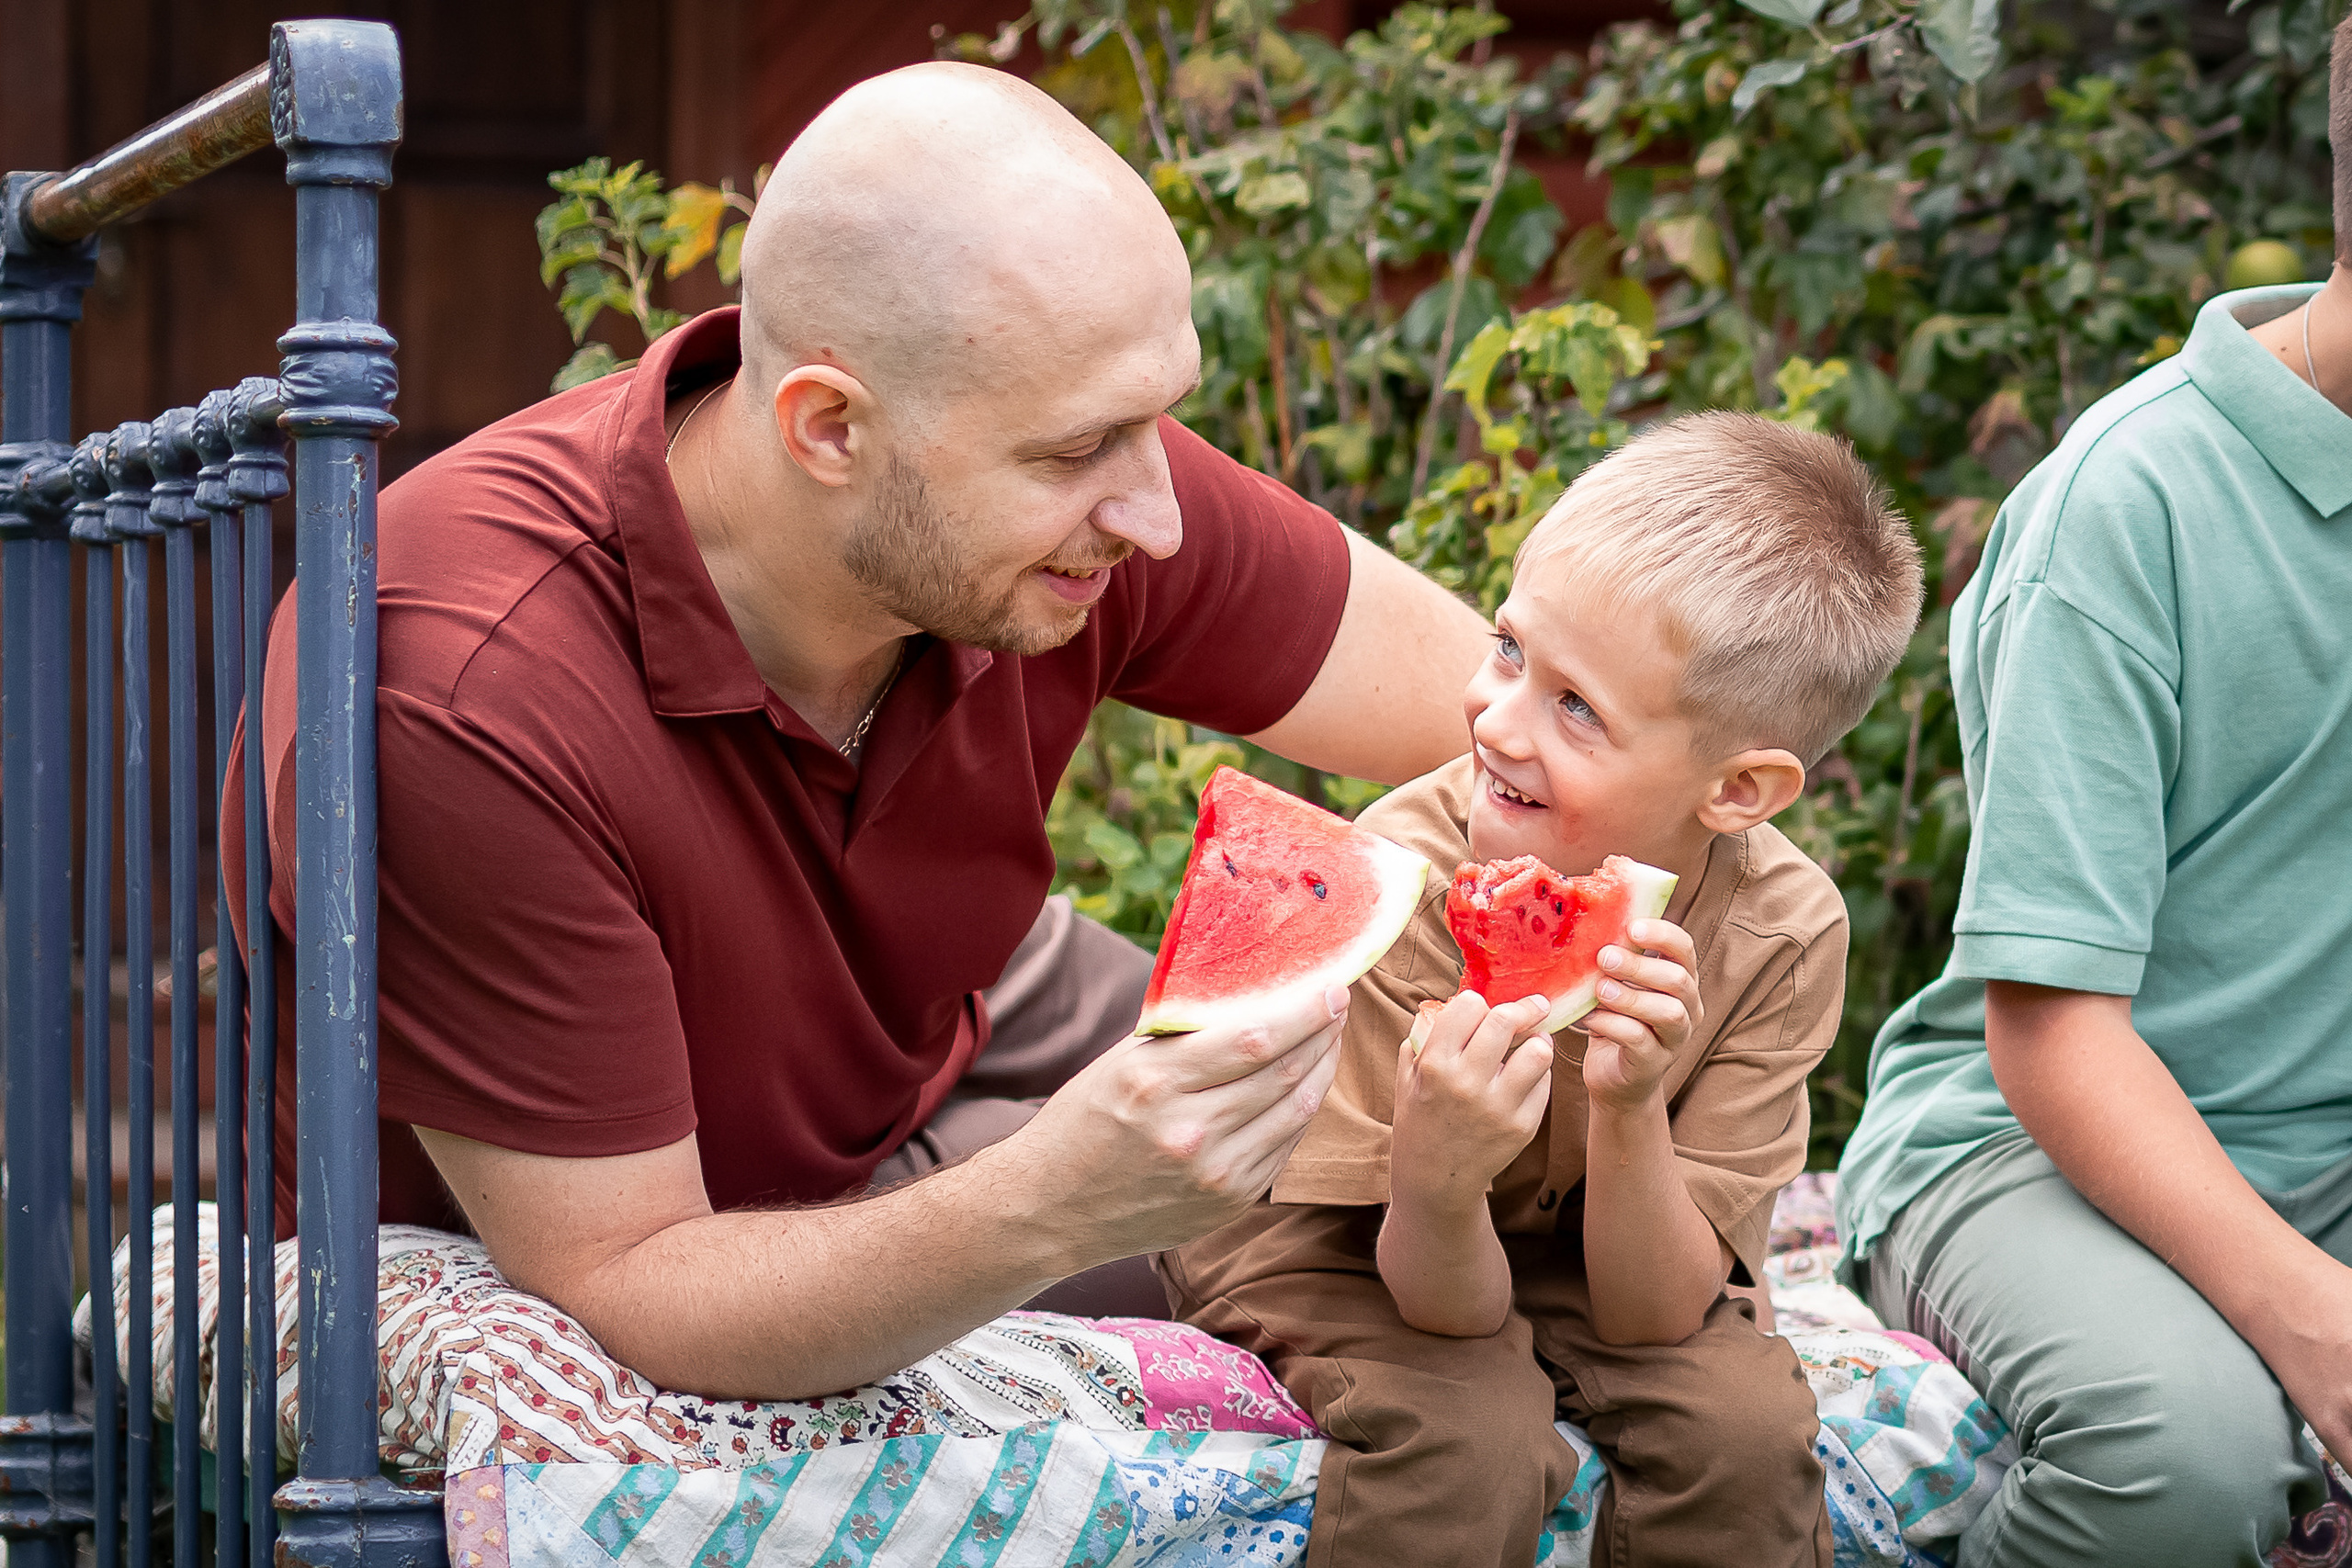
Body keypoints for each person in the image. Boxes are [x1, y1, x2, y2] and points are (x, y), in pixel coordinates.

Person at [219, 62, 1494, 1401]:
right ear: (828, 426)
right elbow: (635, 1284)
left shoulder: (1064, 481)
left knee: (1471, 1151)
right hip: (683, 1216)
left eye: (1156, 418)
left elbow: (1508, 720)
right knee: (1362, 1249)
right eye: (1080, 449)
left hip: (949, 999)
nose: (1161, 518)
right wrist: (1059, 1199)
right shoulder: (460, 695)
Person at [1164, 413, 1925, 1568]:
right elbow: (1445, 1306)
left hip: (1603, 1254)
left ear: (1739, 791)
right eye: (1511, 650)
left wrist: (1629, 1109)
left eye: (1576, 709)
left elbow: (1655, 1318)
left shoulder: (1783, 930)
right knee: (1472, 1436)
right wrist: (1438, 1160)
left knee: (1748, 1437)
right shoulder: (1406, 869)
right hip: (1348, 1237)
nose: (1495, 718)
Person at [1834, 23, 2352, 1564]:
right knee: (2187, 1454)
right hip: (2032, 1146)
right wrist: (2316, 1322)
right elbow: (2054, 1031)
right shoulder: (2127, 510)